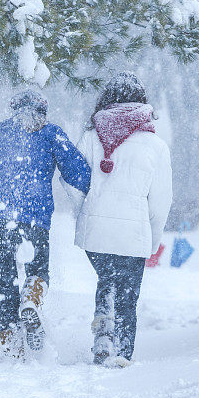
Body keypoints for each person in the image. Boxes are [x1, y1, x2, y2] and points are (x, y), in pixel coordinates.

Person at [0, 89, 91, 358]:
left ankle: (13, 350)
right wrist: (100, 193)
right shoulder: (51, 133)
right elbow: (77, 172)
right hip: (33, 217)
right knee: (38, 271)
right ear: (42, 111)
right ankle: (32, 301)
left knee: (5, 287)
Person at [63, 72, 173, 367]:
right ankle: (123, 352)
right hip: (133, 234)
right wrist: (154, 238)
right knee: (127, 295)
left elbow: (71, 180)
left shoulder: (89, 137)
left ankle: (102, 335)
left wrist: (85, 207)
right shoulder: (156, 147)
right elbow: (161, 201)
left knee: (106, 278)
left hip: (95, 232)